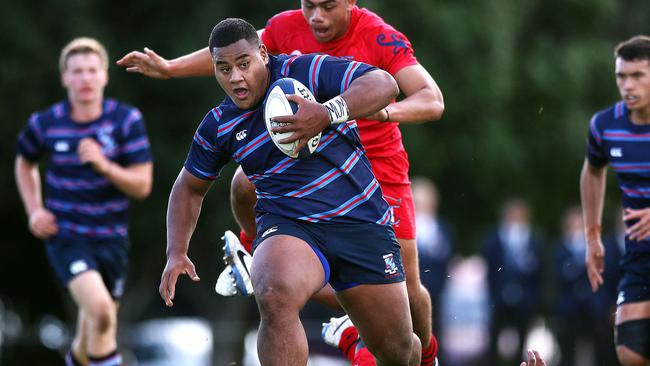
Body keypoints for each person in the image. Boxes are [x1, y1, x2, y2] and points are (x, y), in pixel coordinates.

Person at [118, 2, 444, 364]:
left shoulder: (308, 69)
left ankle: (367, 336)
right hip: (291, 225)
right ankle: (251, 248)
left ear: (262, 53)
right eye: (223, 69)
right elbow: (188, 186)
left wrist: (327, 113)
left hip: (360, 215)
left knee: (400, 349)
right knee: (272, 288)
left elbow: (385, 83)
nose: (235, 78)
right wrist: (175, 251)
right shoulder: (219, 124)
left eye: (243, 65)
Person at [14, 37, 153, 366]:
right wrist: (35, 210)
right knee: (102, 313)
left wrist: (104, 165)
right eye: (77, 72)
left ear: (104, 75)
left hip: (112, 238)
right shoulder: (46, 123)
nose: (85, 79)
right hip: (68, 237)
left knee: (94, 332)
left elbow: (142, 185)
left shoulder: (125, 120)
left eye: (92, 71)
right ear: (65, 78)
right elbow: (24, 162)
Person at [580, 35, 650, 366]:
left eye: (638, 75)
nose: (628, 84)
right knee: (630, 352)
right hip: (639, 251)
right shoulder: (606, 125)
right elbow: (593, 172)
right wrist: (592, 236)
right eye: (622, 76)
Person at [553, 206, 619, 366]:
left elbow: (607, 274)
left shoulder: (601, 247)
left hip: (596, 308)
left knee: (600, 351)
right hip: (570, 310)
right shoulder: (560, 249)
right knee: (568, 352)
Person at [480, 198, 543, 366]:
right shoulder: (493, 238)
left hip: (524, 299)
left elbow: (539, 273)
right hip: (498, 297)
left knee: (523, 341)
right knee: (493, 340)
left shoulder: (534, 239)